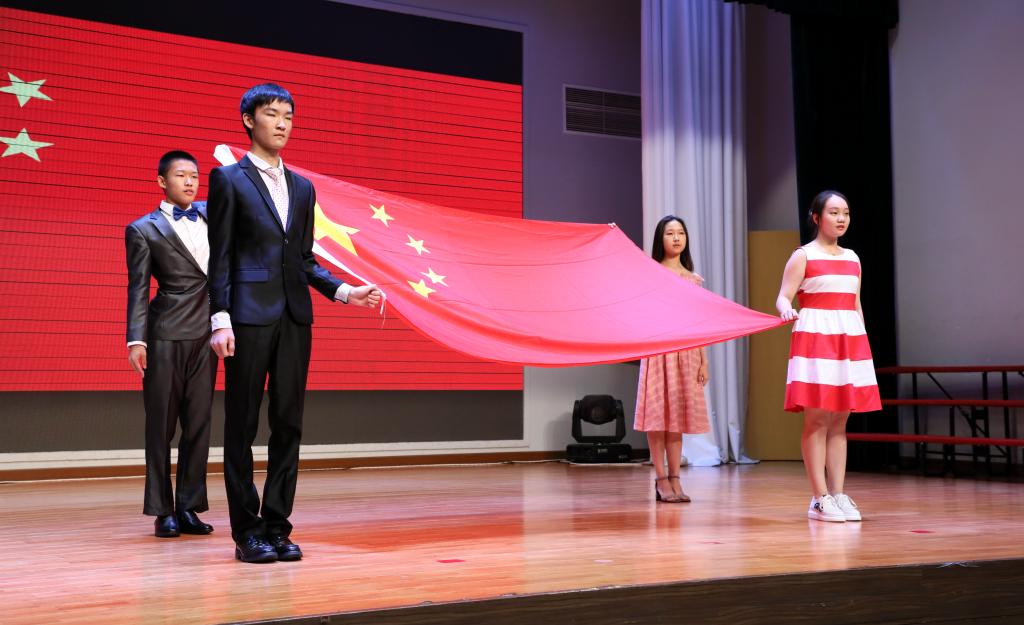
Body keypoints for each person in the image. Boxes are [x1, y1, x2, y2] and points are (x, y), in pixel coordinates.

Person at [207, 83, 381, 563]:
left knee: (288, 424)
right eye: (271, 113)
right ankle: (247, 532)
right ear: (249, 120)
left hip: (294, 318)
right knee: (242, 426)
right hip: (246, 318)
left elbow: (303, 258)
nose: (282, 123)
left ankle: (277, 527)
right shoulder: (228, 179)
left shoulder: (303, 187)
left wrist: (343, 291)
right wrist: (220, 319)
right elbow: (220, 258)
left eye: (288, 115)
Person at [125, 150, 217, 538]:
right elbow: (138, 287)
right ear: (162, 181)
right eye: (181, 175)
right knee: (161, 425)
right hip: (165, 334)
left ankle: (189, 507)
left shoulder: (213, 215)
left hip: (208, 334)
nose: (190, 181)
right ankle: (163, 510)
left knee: (199, 424)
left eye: (194, 175)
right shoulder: (142, 229)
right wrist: (136, 339)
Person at [775, 190, 881, 522]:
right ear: (816, 217)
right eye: (834, 212)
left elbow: (856, 304)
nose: (841, 218)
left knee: (839, 421)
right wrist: (786, 309)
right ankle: (819, 497)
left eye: (845, 212)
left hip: (848, 339)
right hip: (816, 337)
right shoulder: (803, 255)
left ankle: (838, 493)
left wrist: (862, 343)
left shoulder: (853, 258)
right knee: (818, 419)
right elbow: (783, 296)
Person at [635, 215, 710, 503]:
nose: (676, 238)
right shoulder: (650, 273)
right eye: (670, 233)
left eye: (681, 233)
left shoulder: (694, 279)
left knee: (676, 417)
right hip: (658, 350)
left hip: (686, 353)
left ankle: (676, 478)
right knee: (657, 418)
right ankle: (661, 479)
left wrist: (703, 361)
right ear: (660, 238)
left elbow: (699, 323)